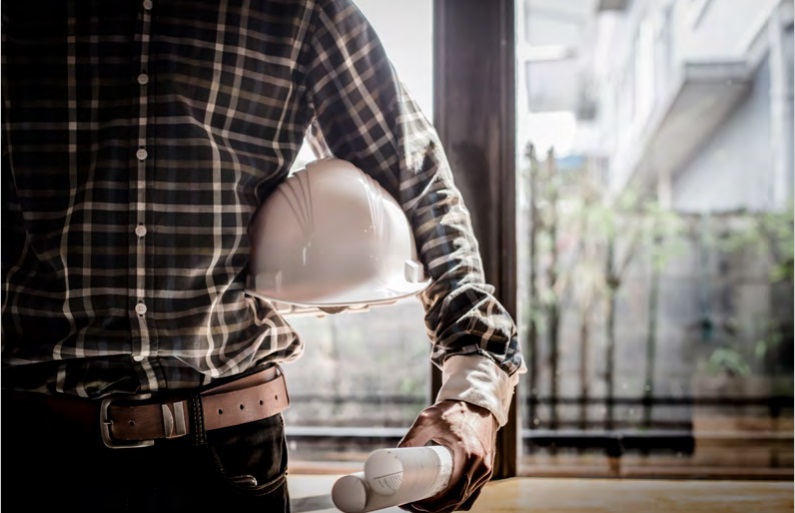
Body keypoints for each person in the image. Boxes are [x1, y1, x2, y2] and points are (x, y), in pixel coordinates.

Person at [1, 1, 526, 512]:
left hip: (232, 457)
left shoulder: (298, 9)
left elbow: (417, 182)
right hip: (32, 447)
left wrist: (472, 391)